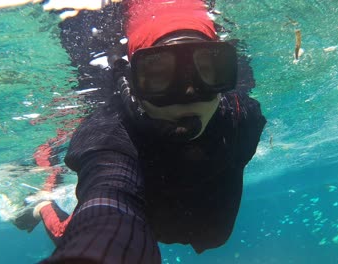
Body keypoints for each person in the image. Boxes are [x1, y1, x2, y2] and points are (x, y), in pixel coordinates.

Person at [14, 1, 266, 263]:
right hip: (145, 215)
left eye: (209, 69)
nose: (189, 92)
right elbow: (106, 203)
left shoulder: (242, 116)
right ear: (131, 84)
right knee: (68, 231)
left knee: (214, 237)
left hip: (197, 217)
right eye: (159, 74)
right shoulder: (109, 137)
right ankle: (42, 205)